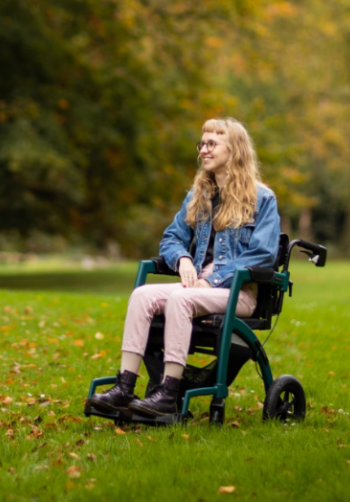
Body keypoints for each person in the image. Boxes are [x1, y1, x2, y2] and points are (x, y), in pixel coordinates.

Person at [87, 117, 281, 418]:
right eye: (202, 144)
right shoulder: (199, 196)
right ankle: (124, 387)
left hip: (238, 293)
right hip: (197, 288)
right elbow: (171, 238)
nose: (204, 150)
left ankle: (167, 392)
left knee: (180, 299)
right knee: (142, 295)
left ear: (235, 150)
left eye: (212, 144)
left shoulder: (262, 199)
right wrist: (183, 259)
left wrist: (213, 279)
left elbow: (262, 255)